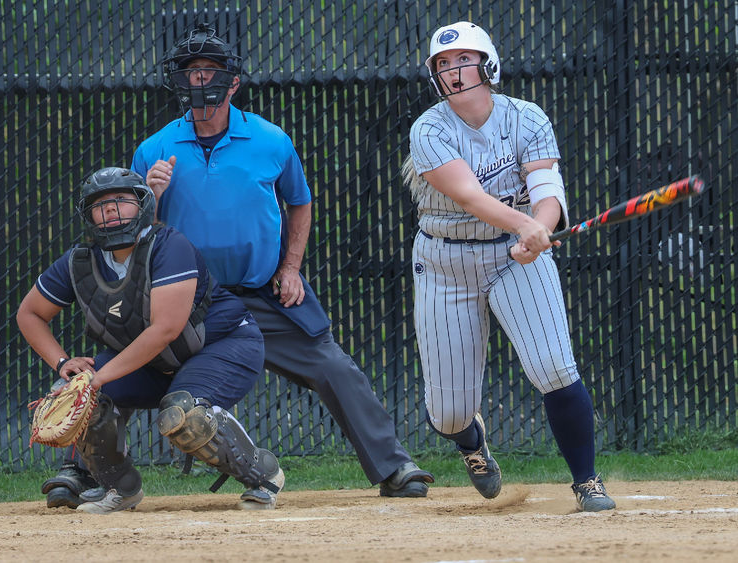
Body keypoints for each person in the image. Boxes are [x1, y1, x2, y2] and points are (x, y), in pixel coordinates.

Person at [130, 23, 434, 497]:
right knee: (125, 358)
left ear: (233, 82)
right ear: (181, 81)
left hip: (263, 291)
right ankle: (83, 471)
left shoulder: (271, 141)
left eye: (211, 70)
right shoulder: (154, 150)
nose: (201, 79)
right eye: (192, 72)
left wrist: (291, 268)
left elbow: (300, 202)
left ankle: (394, 467)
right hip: (188, 302)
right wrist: (149, 194)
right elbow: (131, 233)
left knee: (334, 366)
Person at [401, 21, 616, 512]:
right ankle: (472, 443)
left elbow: (547, 190)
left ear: (488, 63)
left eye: (463, 60)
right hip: (443, 261)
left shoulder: (528, 118)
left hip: (513, 259)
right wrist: (526, 225)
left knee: (553, 367)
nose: (454, 72)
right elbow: (470, 196)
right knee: (449, 412)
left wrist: (539, 230)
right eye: (443, 65)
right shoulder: (429, 128)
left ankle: (586, 481)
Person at [18, 167, 284, 513]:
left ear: (143, 204)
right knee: (75, 394)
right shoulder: (79, 262)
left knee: (184, 413)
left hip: (224, 345)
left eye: (121, 200)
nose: (110, 209)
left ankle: (262, 475)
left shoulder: (169, 246)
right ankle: (120, 488)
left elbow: (166, 330)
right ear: (88, 215)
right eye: (99, 204)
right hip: (157, 363)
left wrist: (99, 376)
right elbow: (29, 314)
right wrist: (64, 363)